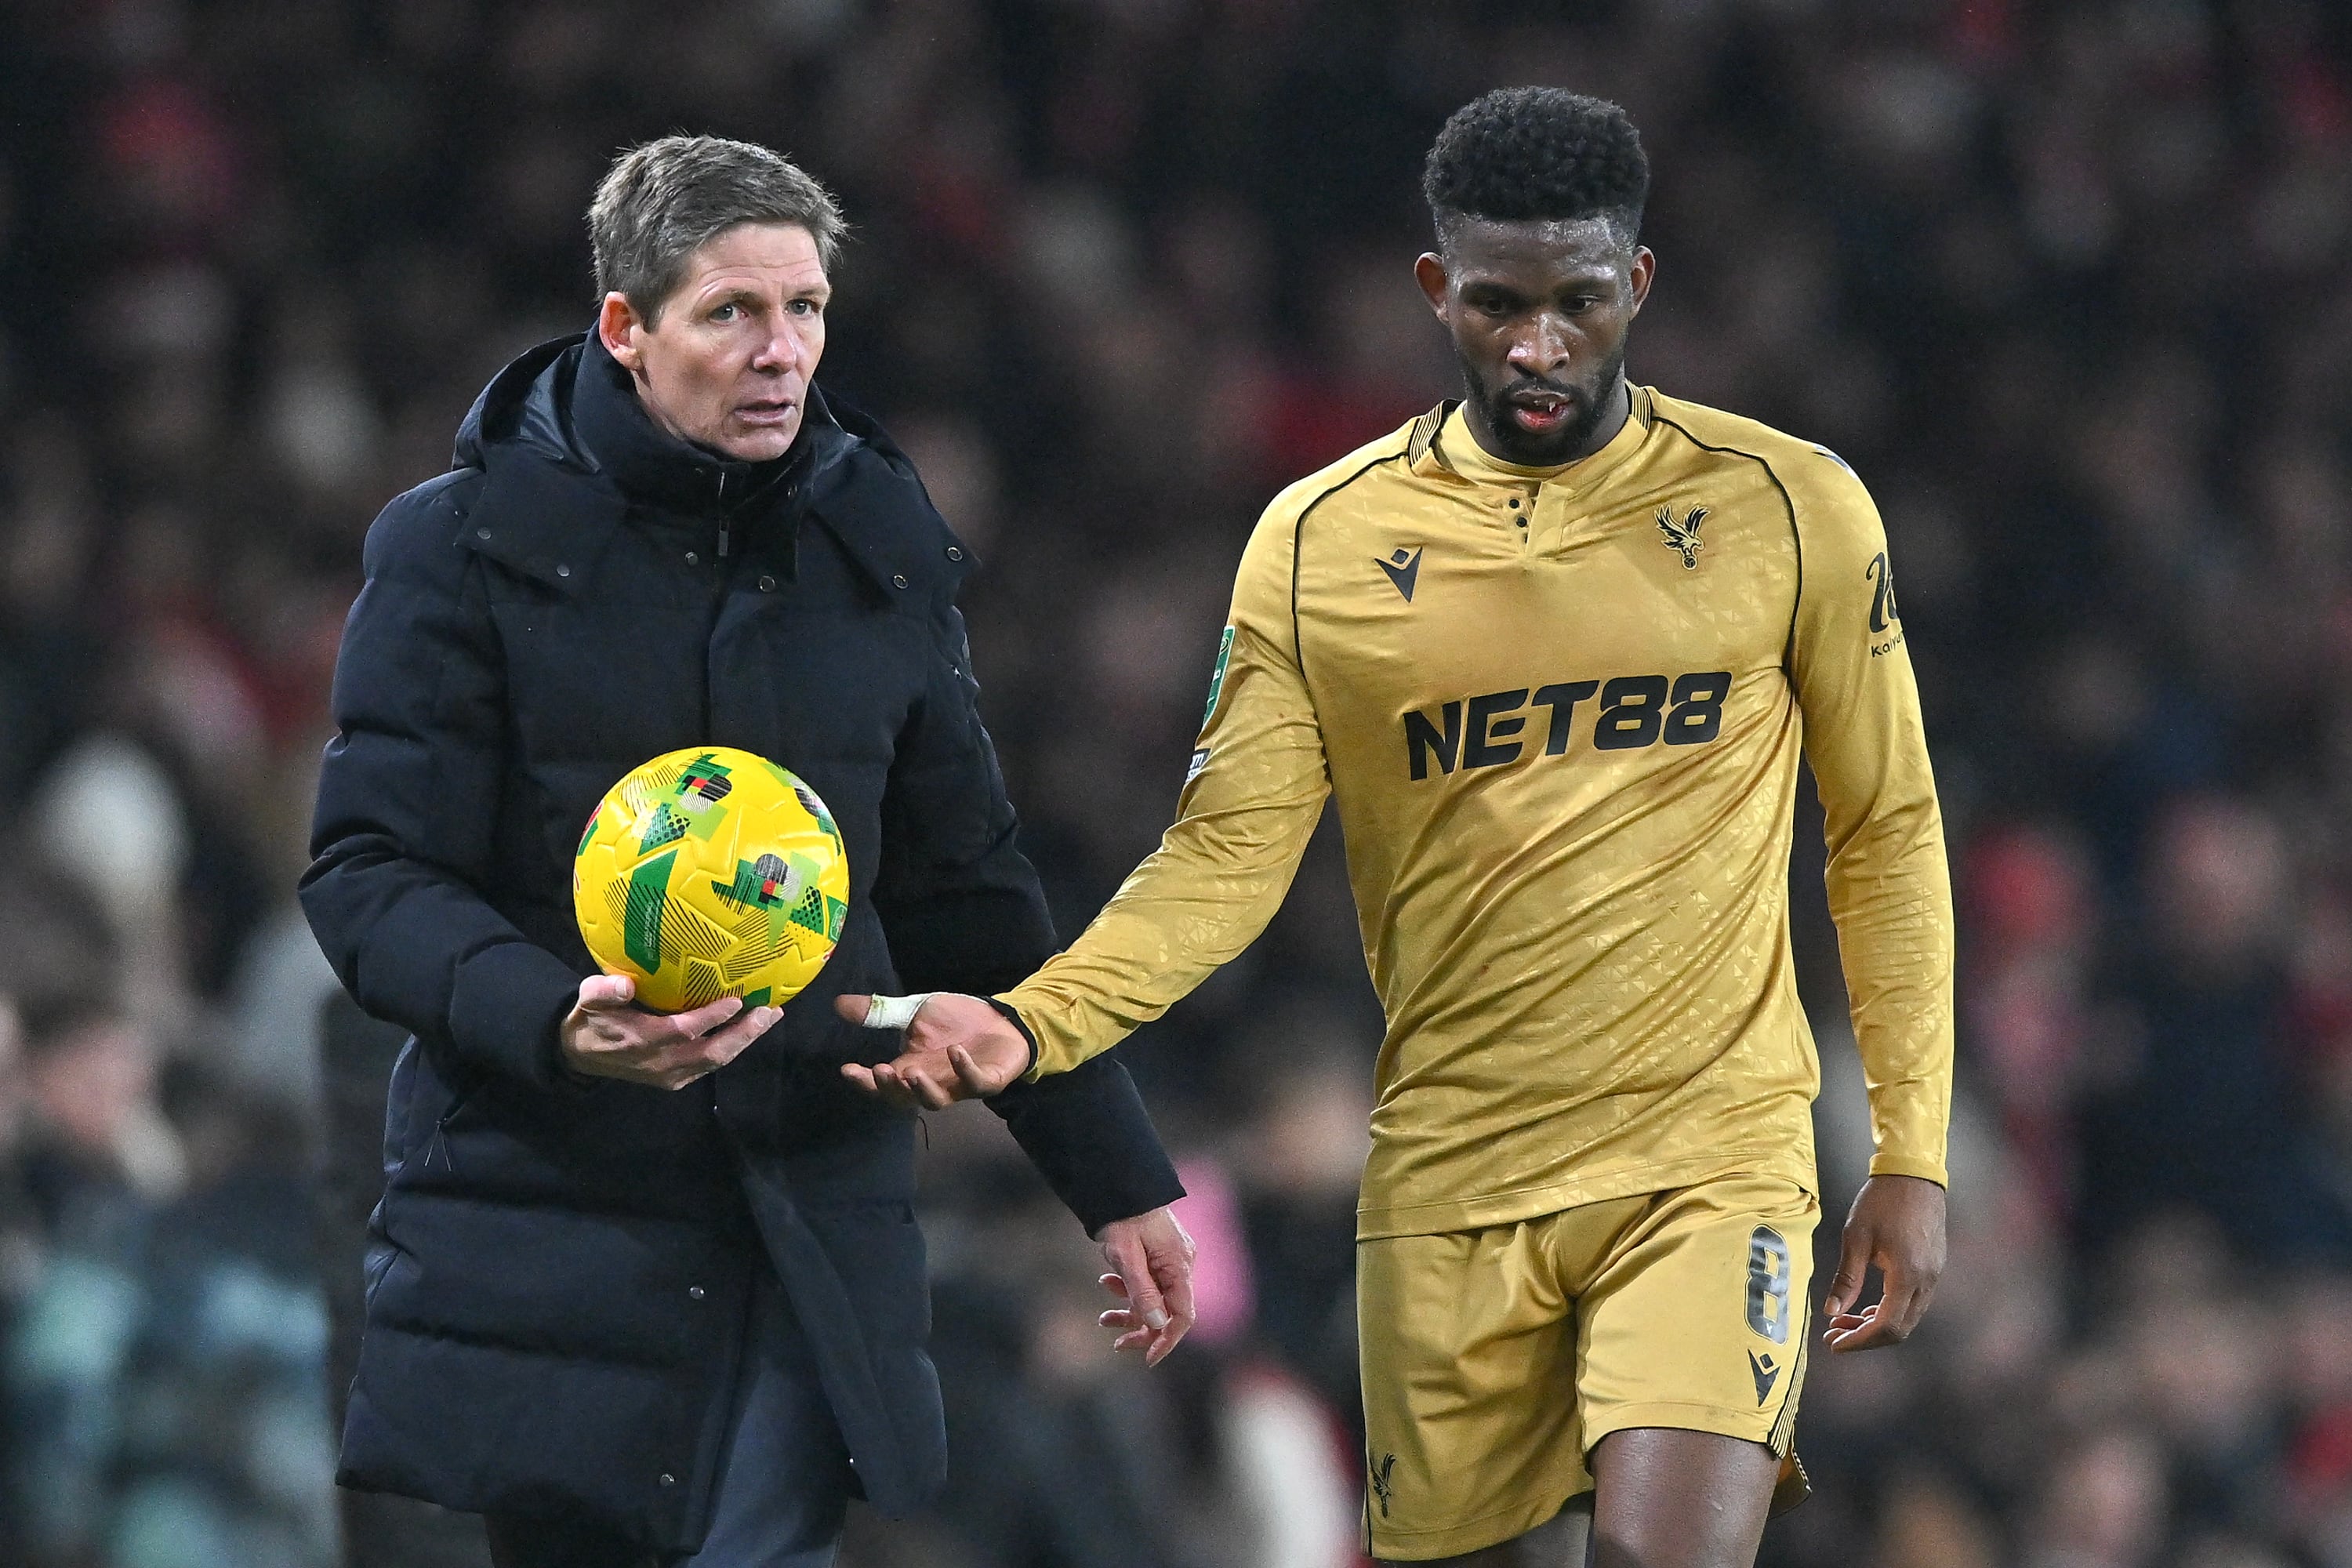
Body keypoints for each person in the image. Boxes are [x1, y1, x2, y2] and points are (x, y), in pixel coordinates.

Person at [840, 89, 1955, 1568]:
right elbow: (1224, 861)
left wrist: (1911, 1151)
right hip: (1450, 1180)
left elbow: (1883, 825)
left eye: (1578, 301)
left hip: (1713, 1153)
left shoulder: (1790, 508)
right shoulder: (1322, 546)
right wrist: (1031, 1027)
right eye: (1498, 303)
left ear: (1641, 284)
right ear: (1437, 290)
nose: (1539, 346)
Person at [299, 136, 1196, 1568]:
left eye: (808, 309)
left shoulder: (878, 546)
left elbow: (968, 896)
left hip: (802, 1209)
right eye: (732, 312)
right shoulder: (458, 550)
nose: (784, 352)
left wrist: (1117, 1175)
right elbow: (365, 877)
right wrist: (552, 1021)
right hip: (551, 1219)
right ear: (625, 328)